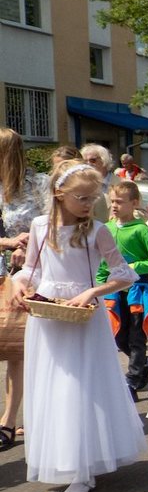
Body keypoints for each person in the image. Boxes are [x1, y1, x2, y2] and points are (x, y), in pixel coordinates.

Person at [11, 161, 145, 492]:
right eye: (81, 198)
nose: (88, 204)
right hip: (48, 314)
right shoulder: (40, 226)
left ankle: (83, 468)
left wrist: (92, 291)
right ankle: (65, 458)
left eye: (92, 198)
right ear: (60, 194)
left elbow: (124, 274)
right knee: (53, 386)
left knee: (80, 386)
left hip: (83, 316)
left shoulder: (97, 230)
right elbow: (32, 269)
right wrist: (20, 284)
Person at [0, 128, 49, 450]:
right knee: (13, 347)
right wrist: (8, 242)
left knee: (27, 350)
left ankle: (15, 420)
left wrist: (30, 244)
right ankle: (12, 420)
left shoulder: (40, 185)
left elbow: (57, 228)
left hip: (39, 275)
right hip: (7, 275)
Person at [99, 181, 148, 401]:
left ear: (134, 203)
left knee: (137, 337)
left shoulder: (141, 230)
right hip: (114, 292)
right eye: (112, 201)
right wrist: (99, 286)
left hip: (137, 291)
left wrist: (133, 267)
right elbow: (102, 263)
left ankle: (133, 380)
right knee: (119, 337)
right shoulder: (107, 229)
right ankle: (144, 363)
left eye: (120, 202)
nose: (114, 206)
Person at [80, 143, 114, 222]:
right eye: (84, 161)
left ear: (104, 160)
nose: (88, 164)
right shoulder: (80, 186)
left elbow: (139, 213)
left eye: (93, 160)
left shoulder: (123, 183)